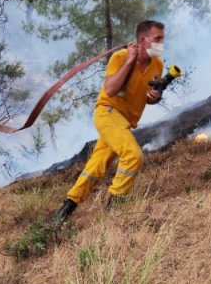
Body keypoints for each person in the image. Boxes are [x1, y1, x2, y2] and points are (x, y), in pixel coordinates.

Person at [54, 19, 166, 221]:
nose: (161, 43)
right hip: (107, 113)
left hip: (124, 122)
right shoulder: (120, 57)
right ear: (143, 40)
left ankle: (66, 209)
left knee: (96, 165)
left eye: (162, 39)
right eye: (157, 39)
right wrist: (130, 61)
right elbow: (111, 89)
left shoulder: (158, 64)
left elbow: (149, 97)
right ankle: (114, 206)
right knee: (133, 155)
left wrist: (154, 98)